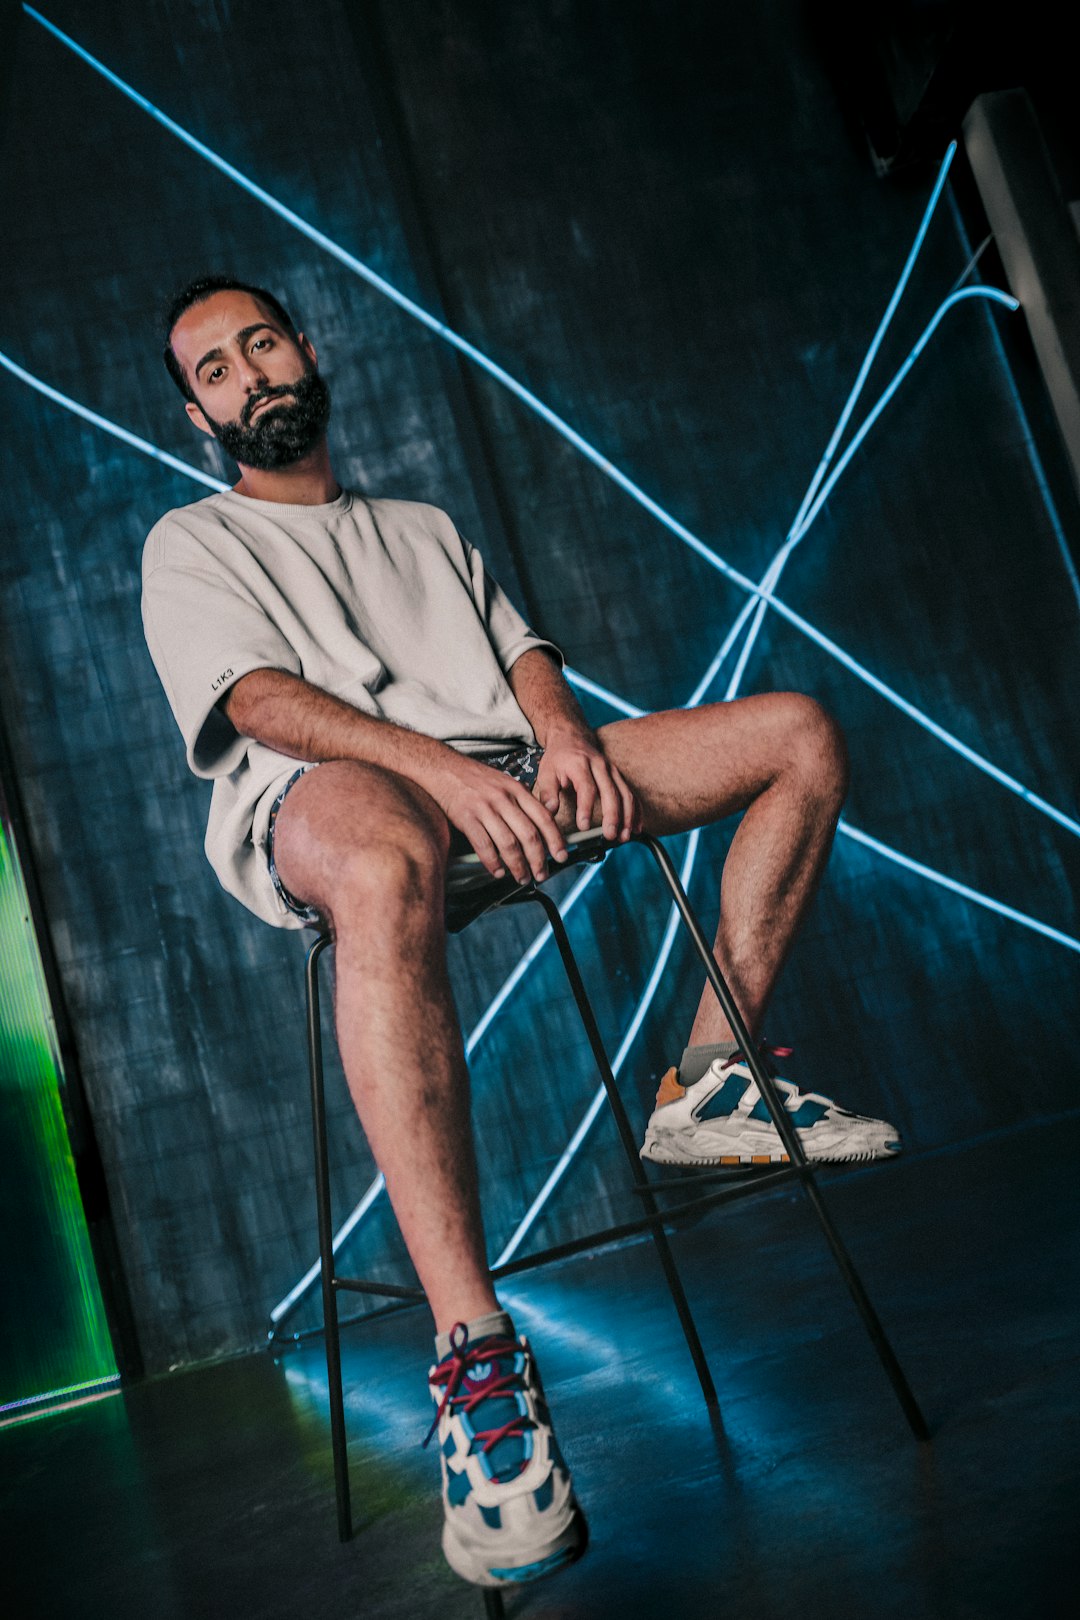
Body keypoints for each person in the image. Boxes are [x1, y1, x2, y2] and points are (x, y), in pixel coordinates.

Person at [143, 275, 900, 1591]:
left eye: (260, 343)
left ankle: (709, 1078)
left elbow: (522, 652)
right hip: (343, 813)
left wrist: (554, 736)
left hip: (512, 784)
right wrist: (444, 778)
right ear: (200, 411)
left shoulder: (422, 525)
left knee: (797, 736)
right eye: (215, 369)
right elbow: (259, 702)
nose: (249, 374)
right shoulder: (192, 543)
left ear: (305, 349)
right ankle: (475, 1358)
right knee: (384, 861)